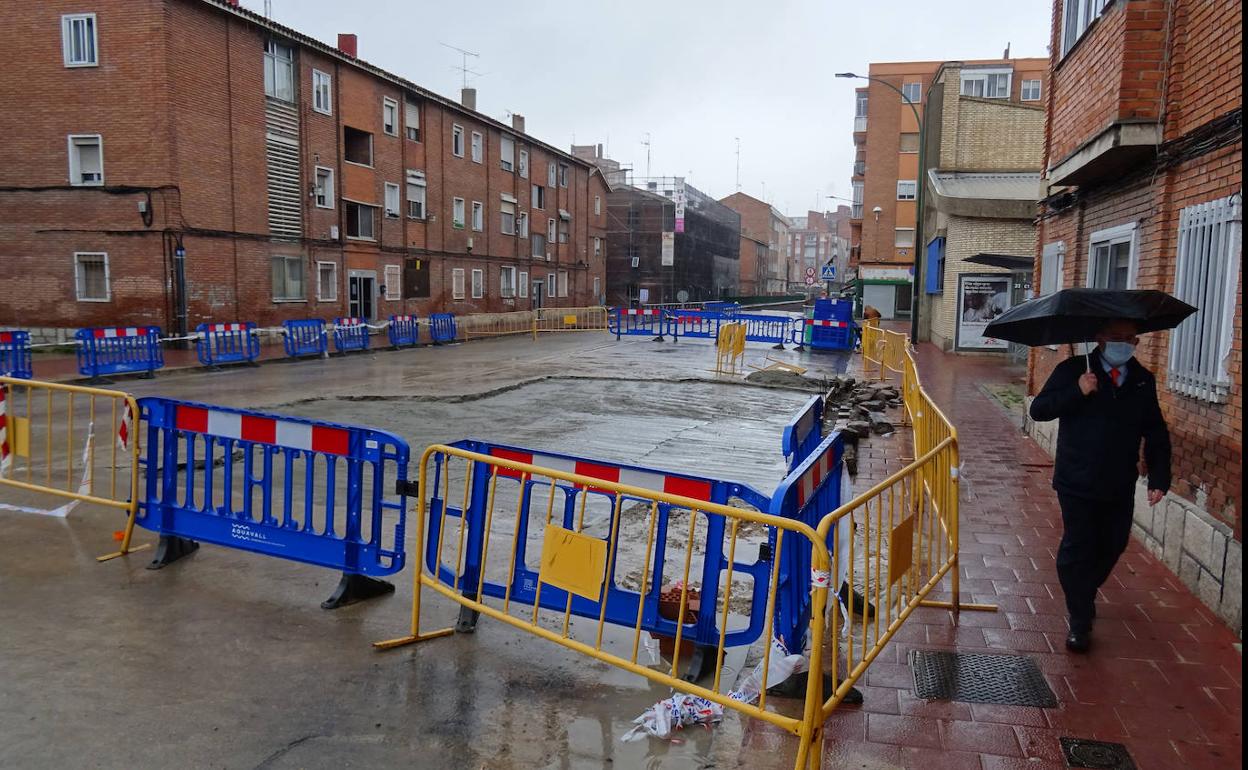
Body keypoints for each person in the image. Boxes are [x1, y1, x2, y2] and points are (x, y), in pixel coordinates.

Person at [1028, 319, 1170, 653]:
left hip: (1119, 480)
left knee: (1114, 543)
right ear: (1099, 339)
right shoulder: (1073, 369)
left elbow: (1156, 431)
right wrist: (1077, 390)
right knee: (1077, 546)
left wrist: (1160, 478)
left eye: (1129, 339)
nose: (1123, 344)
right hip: (1076, 478)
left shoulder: (1141, 380)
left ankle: (1083, 590)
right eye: (1115, 338)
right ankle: (1080, 620)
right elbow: (1039, 410)